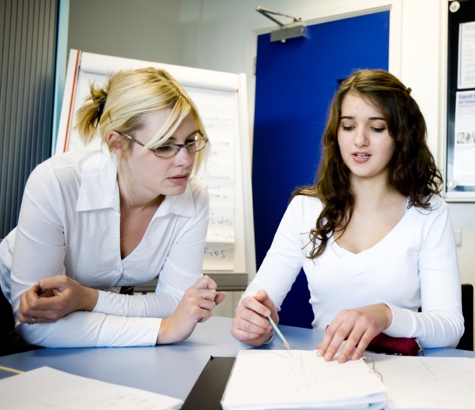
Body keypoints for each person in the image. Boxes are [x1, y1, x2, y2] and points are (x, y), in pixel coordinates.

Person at [232, 69, 464, 363]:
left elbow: (450, 328)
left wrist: (386, 315)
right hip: (327, 368)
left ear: (401, 136)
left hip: (404, 372)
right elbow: (256, 301)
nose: (360, 140)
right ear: (336, 133)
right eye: (348, 126)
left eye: (377, 128)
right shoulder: (305, 208)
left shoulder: (428, 211)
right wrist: (254, 324)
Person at [0, 67, 225, 354]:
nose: (185, 160)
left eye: (191, 142)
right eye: (164, 146)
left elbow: (175, 302)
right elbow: (36, 323)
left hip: (87, 321)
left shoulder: (193, 198)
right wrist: (165, 329)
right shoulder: (56, 182)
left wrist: (88, 299)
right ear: (118, 144)